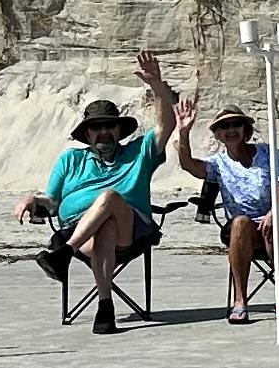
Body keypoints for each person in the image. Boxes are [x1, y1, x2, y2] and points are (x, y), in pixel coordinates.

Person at [157, 55, 279, 324]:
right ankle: (240, 301)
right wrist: (183, 133)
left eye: (236, 124)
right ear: (217, 134)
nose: (231, 130)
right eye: (224, 126)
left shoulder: (267, 152)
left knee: (273, 228)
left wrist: (274, 212)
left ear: (245, 128)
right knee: (239, 223)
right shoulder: (218, 164)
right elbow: (189, 166)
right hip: (246, 229)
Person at [16, 93, 167, 333]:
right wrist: (31, 199)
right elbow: (52, 201)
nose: (103, 131)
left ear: (119, 129)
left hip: (129, 231)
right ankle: (105, 308)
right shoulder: (70, 159)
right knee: (104, 228)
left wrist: (157, 86)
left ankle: (64, 253)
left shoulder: (139, 152)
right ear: (87, 134)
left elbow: (165, 126)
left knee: (109, 198)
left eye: (109, 125)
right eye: (96, 127)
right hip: (84, 233)